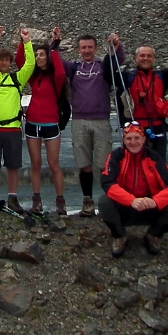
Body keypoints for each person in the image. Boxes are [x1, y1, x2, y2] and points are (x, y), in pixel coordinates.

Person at [55, 31, 124, 217]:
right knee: (84, 164)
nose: (87, 50)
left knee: (104, 164)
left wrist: (116, 46)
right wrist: (55, 43)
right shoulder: (74, 67)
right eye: (83, 47)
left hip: (101, 120)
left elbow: (118, 61)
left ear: (96, 48)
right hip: (79, 120)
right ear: (78, 49)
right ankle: (87, 201)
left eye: (90, 47)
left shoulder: (104, 65)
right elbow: (58, 63)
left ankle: (109, 201)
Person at [99, 122, 168, 256]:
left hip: (149, 205)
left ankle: (153, 235)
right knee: (104, 203)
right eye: (129, 138)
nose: (133, 142)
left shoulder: (154, 157)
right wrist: (131, 200)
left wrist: (155, 201)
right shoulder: (116, 156)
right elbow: (107, 182)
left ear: (144, 139)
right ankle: (119, 236)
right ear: (124, 140)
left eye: (137, 138)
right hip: (125, 206)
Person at [0, 26, 34, 214]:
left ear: (10, 62)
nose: (4, 62)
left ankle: (12, 198)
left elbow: (30, 65)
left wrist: (27, 43)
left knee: (13, 166)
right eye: (0, 59)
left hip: (13, 130)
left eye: (7, 60)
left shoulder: (17, 79)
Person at [20, 35, 68, 216]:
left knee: (54, 163)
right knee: (35, 164)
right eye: (37, 55)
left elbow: (61, 73)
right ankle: (36, 200)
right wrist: (24, 43)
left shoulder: (55, 78)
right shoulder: (35, 78)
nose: (39, 57)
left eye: (42, 54)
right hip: (32, 123)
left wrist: (54, 48)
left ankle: (60, 201)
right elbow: (20, 61)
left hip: (50, 124)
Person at [111, 36, 168, 161]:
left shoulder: (163, 77)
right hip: (135, 130)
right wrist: (114, 51)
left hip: (158, 128)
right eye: (142, 56)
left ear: (154, 58)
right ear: (136, 58)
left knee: (158, 166)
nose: (145, 58)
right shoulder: (126, 77)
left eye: (149, 56)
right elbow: (107, 73)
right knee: (135, 165)